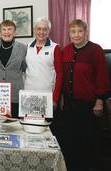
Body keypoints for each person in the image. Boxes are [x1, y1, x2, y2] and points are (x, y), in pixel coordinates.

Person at [61, 19, 110, 171]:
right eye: (73, 32)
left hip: (87, 104)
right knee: (69, 138)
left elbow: (102, 77)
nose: (76, 35)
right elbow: (62, 76)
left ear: (85, 32)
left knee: (85, 140)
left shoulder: (96, 50)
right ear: (69, 34)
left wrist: (99, 101)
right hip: (69, 103)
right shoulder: (66, 50)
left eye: (79, 31)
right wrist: (62, 97)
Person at [0, 20, 27, 118]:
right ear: (0, 33)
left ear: (15, 32)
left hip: (15, 93)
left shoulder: (23, 48)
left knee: (15, 125)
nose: (6, 32)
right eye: (3, 30)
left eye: (10, 29)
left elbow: (24, 68)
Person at [24, 17, 63, 111]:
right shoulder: (28, 47)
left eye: (45, 29)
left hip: (47, 95)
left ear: (49, 31)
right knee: (29, 124)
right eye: (39, 29)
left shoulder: (55, 48)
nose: (41, 32)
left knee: (45, 124)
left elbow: (60, 75)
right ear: (34, 30)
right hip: (29, 95)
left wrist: (55, 99)